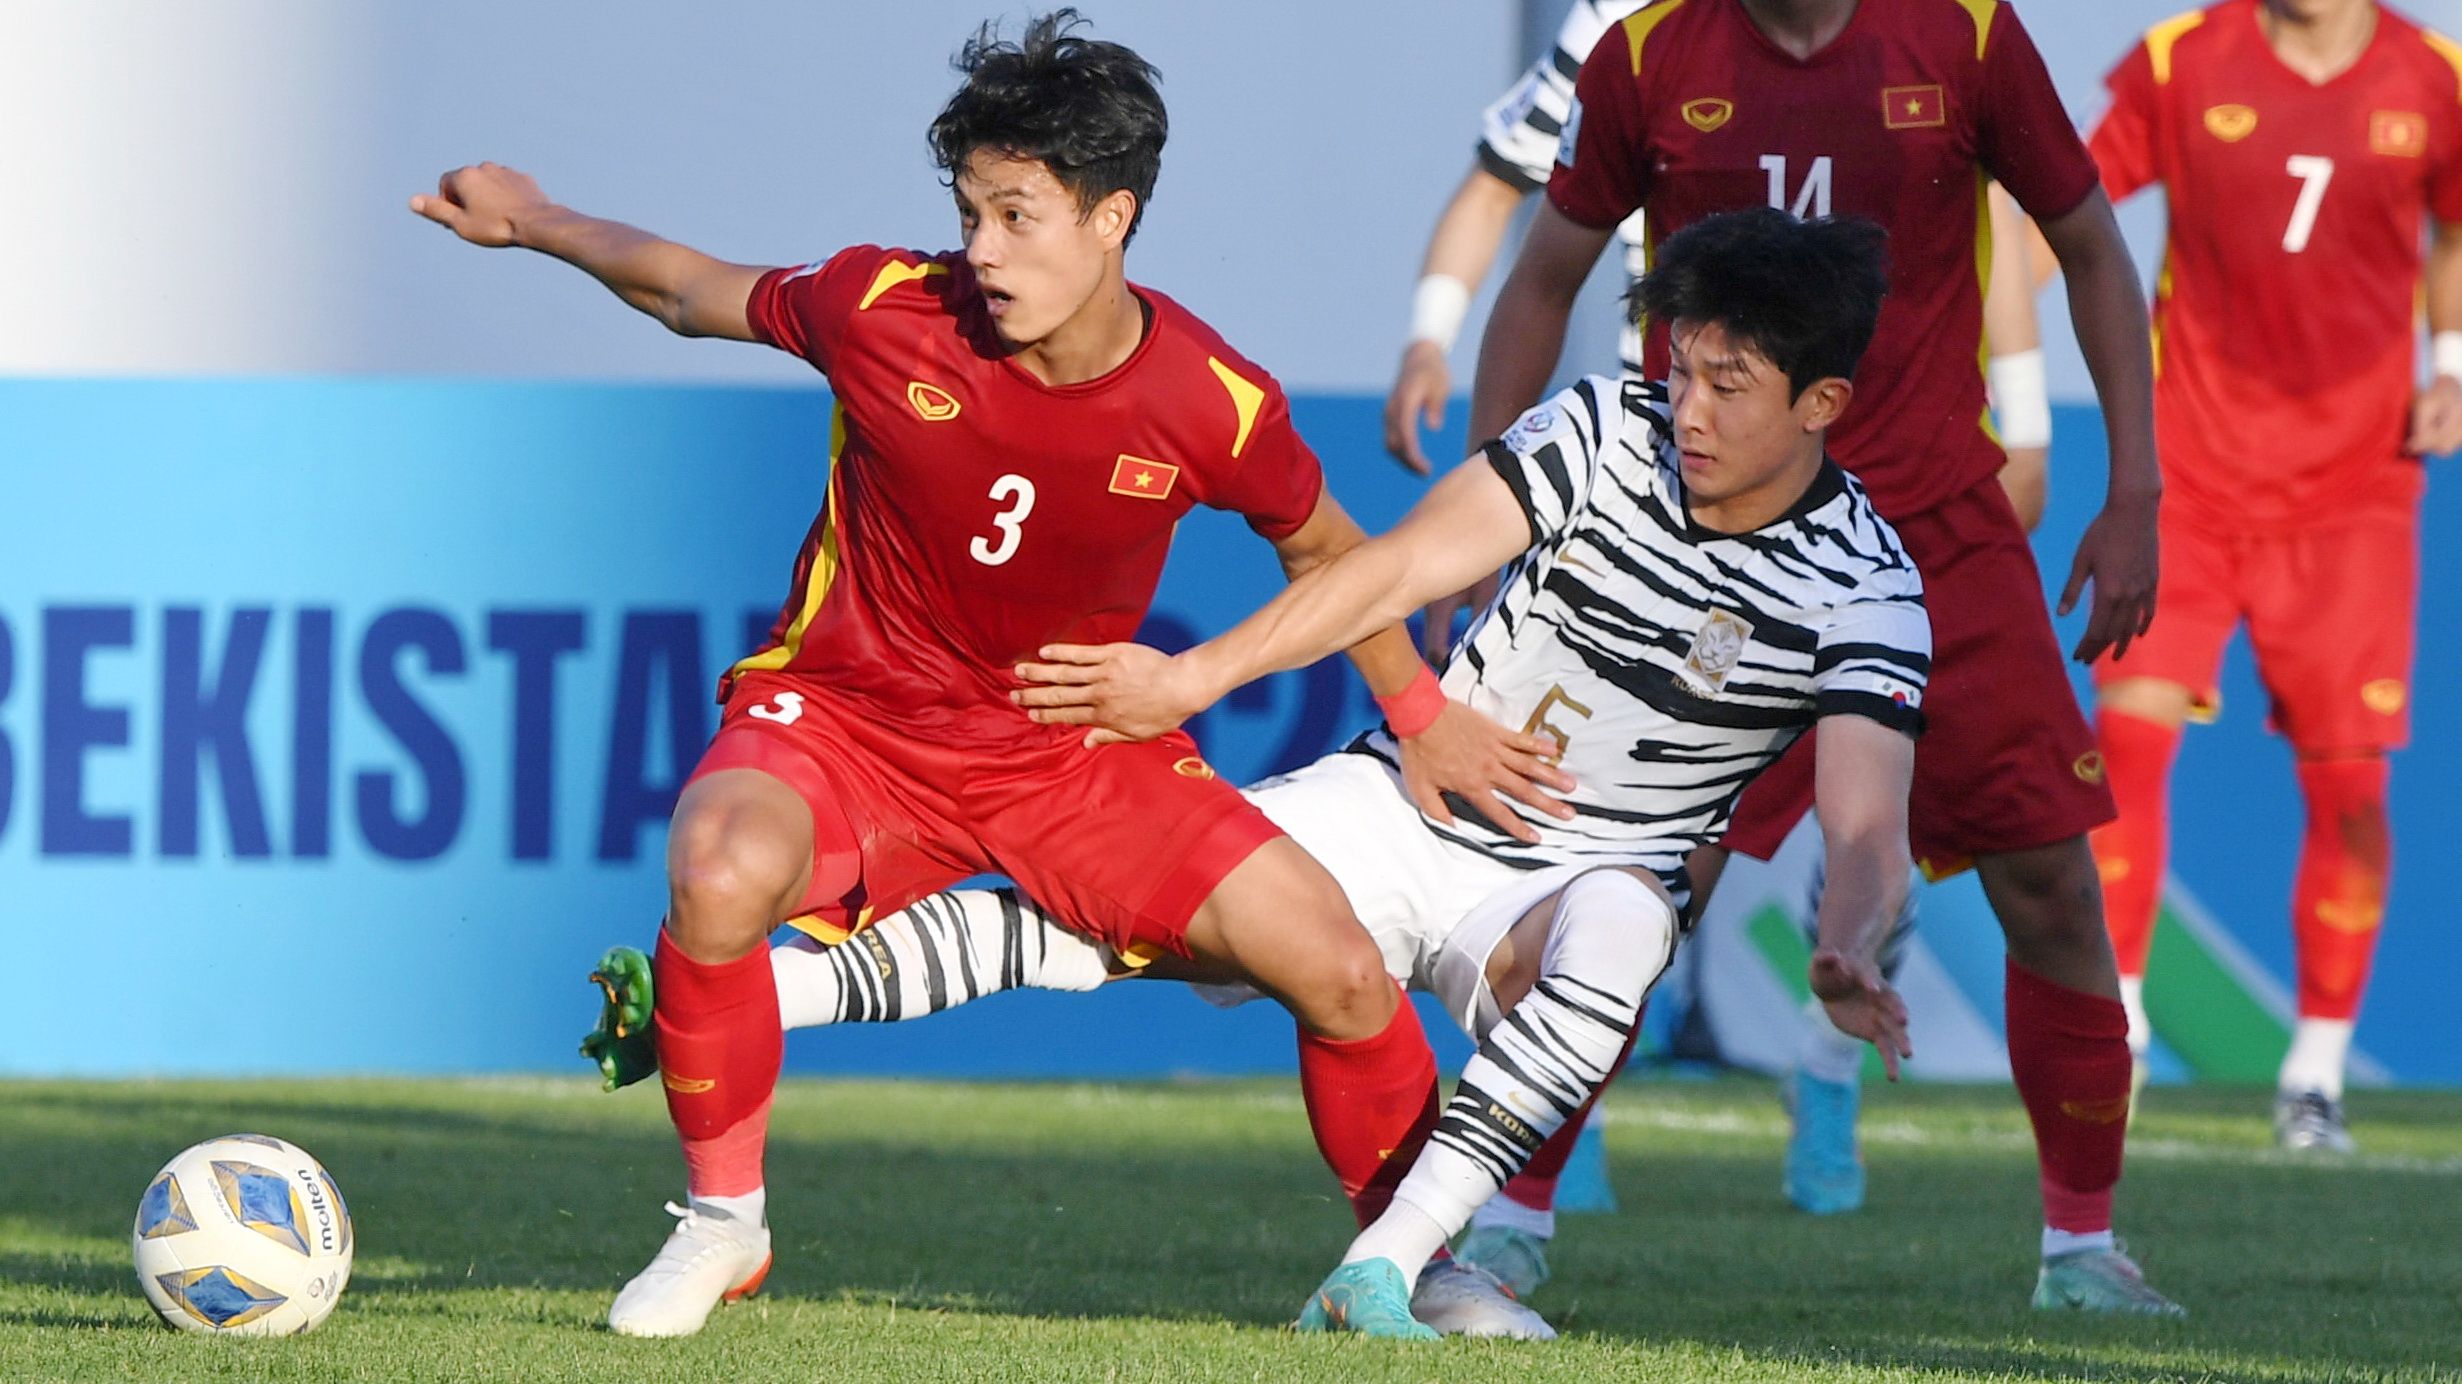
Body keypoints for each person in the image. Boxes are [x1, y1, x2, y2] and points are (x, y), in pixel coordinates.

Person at [411, 11, 1546, 1338]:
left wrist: (1418, 714)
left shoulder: (1209, 399)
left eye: (1018, 216)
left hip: (1071, 751)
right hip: (849, 720)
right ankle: (722, 1225)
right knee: (716, 871)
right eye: (969, 211)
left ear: (1112, 217)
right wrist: (539, 216)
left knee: (1340, 969)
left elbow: (1330, 552)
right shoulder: (886, 309)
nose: (983, 250)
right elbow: (683, 288)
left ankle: (1414, 1266)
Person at [1006, 208, 1926, 1336]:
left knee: (1629, 926)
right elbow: (1390, 567)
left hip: (1564, 894)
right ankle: (781, 990)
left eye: (1726, 385)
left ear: (1819, 404)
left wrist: (1847, 942)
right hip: (1406, 798)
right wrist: (1192, 680)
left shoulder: (1868, 586)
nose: (1686, 408)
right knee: (1101, 922)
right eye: (1679, 367)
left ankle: (1390, 1266)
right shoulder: (1598, 428)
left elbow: (1866, 825)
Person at [1466, 0, 2182, 1316]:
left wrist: (2132, 487)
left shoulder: (1961, 34)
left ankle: (2080, 1251)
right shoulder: (1647, 52)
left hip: (1932, 542)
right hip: (1700, 549)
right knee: (1619, 886)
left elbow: (2086, 244)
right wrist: (1491, 509)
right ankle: (1507, 1214)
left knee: (2051, 897)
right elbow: (1542, 273)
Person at [2076, 0, 2462, 1152]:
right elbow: (2066, 197)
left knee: (2346, 791)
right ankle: (2119, 1036)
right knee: (2124, 741)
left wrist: (2448, 360)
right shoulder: (2180, 58)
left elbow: (2453, 227)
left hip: (2353, 492)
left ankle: (2314, 1074)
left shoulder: (2431, 76)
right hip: (2186, 480)